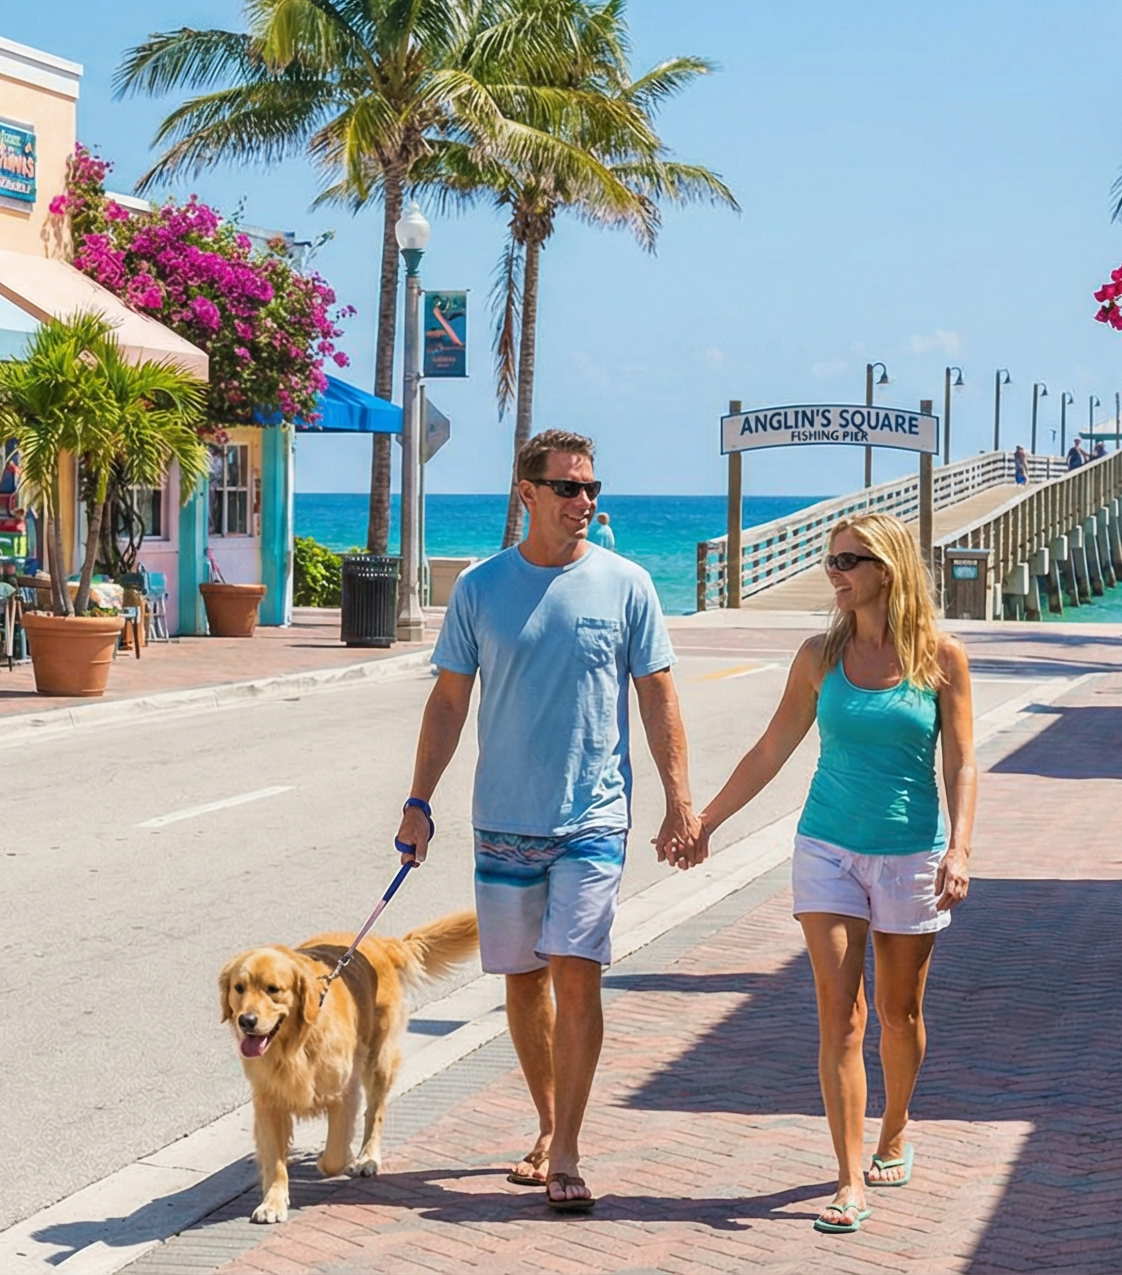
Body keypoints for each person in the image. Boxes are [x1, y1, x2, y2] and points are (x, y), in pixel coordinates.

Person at [395, 428, 695, 1216]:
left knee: (576, 969)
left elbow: (657, 695)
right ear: (526, 493)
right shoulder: (481, 589)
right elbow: (450, 703)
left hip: (594, 818)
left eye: (591, 487)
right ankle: (544, 1122)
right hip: (504, 819)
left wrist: (679, 800)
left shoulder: (627, 584)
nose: (583, 501)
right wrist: (418, 802)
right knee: (523, 982)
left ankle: (566, 1149)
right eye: (568, 487)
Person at [673, 510, 977, 1236]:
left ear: (886, 570)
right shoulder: (818, 655)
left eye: (846, 562)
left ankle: (894, 1129)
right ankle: (847, 1181)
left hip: (911, 852)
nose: (833, 574)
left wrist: (960, 849)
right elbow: (772, 748)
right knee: (841, 1016)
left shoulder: (941, 655)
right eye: (831, 561)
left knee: (899, 1015)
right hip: (827, 848)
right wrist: (707, 821)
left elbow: (962, 761)